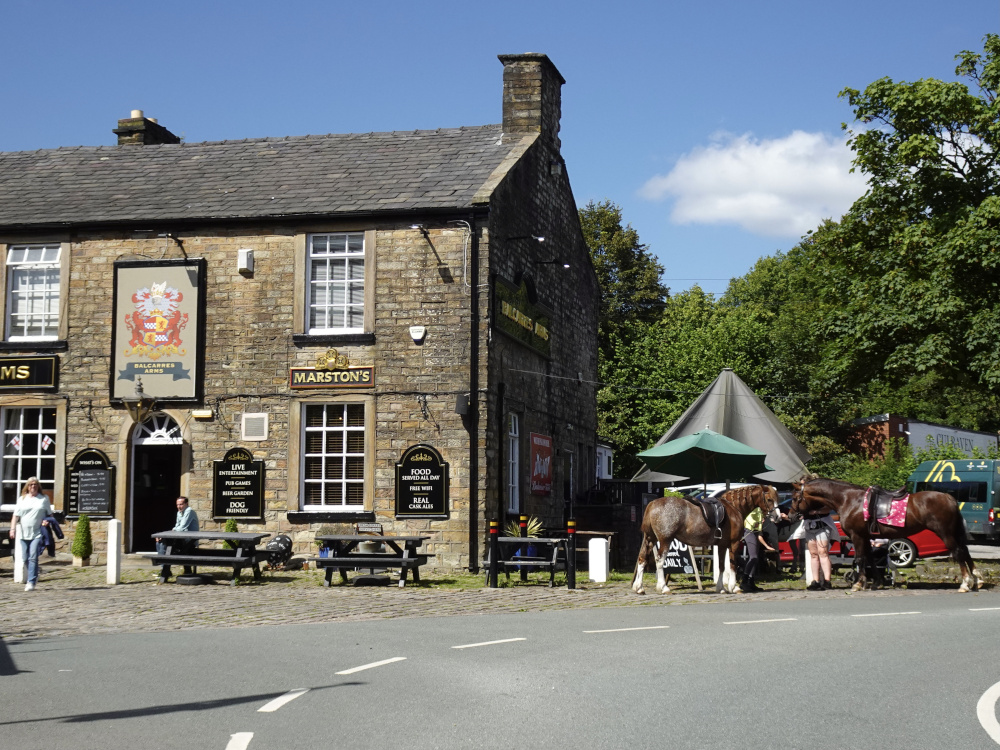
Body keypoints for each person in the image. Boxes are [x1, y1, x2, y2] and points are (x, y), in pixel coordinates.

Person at [9, 478, 53, 592]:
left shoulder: (43, 499)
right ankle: (35, 572)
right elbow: (15, 516)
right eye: (30, 485)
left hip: (37, 532)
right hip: (23, 533)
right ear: (27, 487)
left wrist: (47, 521)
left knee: (33, 556)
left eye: (35, 484)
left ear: (38, 486)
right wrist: (12, 529)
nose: (33, 486)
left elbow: (50, 515)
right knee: (25, 557)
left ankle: (31, 581)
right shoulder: (22, 499)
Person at [154, 496, 199, 581]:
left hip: (190, 541)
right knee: (160, 541)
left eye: (181, 504)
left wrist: (170, 532)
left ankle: (165, 570)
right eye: (177, 505)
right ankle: (164, 568)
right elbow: (177, 527)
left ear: (186, 504)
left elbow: (182, 527)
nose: (179, 507)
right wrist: (168, 533)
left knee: (167, 543)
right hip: (180, 539)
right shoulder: (179, 513)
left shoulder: (189, 511)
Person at [799, 508, 838, 590]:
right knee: (813, 554)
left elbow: (829, 508)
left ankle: (827, 581)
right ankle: (816, 580)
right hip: (809, 526)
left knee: (823, 552)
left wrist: (816, 511)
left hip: (822, 525)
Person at [740, 505, 776, 593]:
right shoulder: (755, 509)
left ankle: (751, 581)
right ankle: (744, 581)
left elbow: (759, 534)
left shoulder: (761, 511)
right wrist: (759, 522)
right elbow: (750, 521)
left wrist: (767, 546)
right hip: (750, 532)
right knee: (753, 557)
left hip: (755, 532)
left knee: (755, 559)